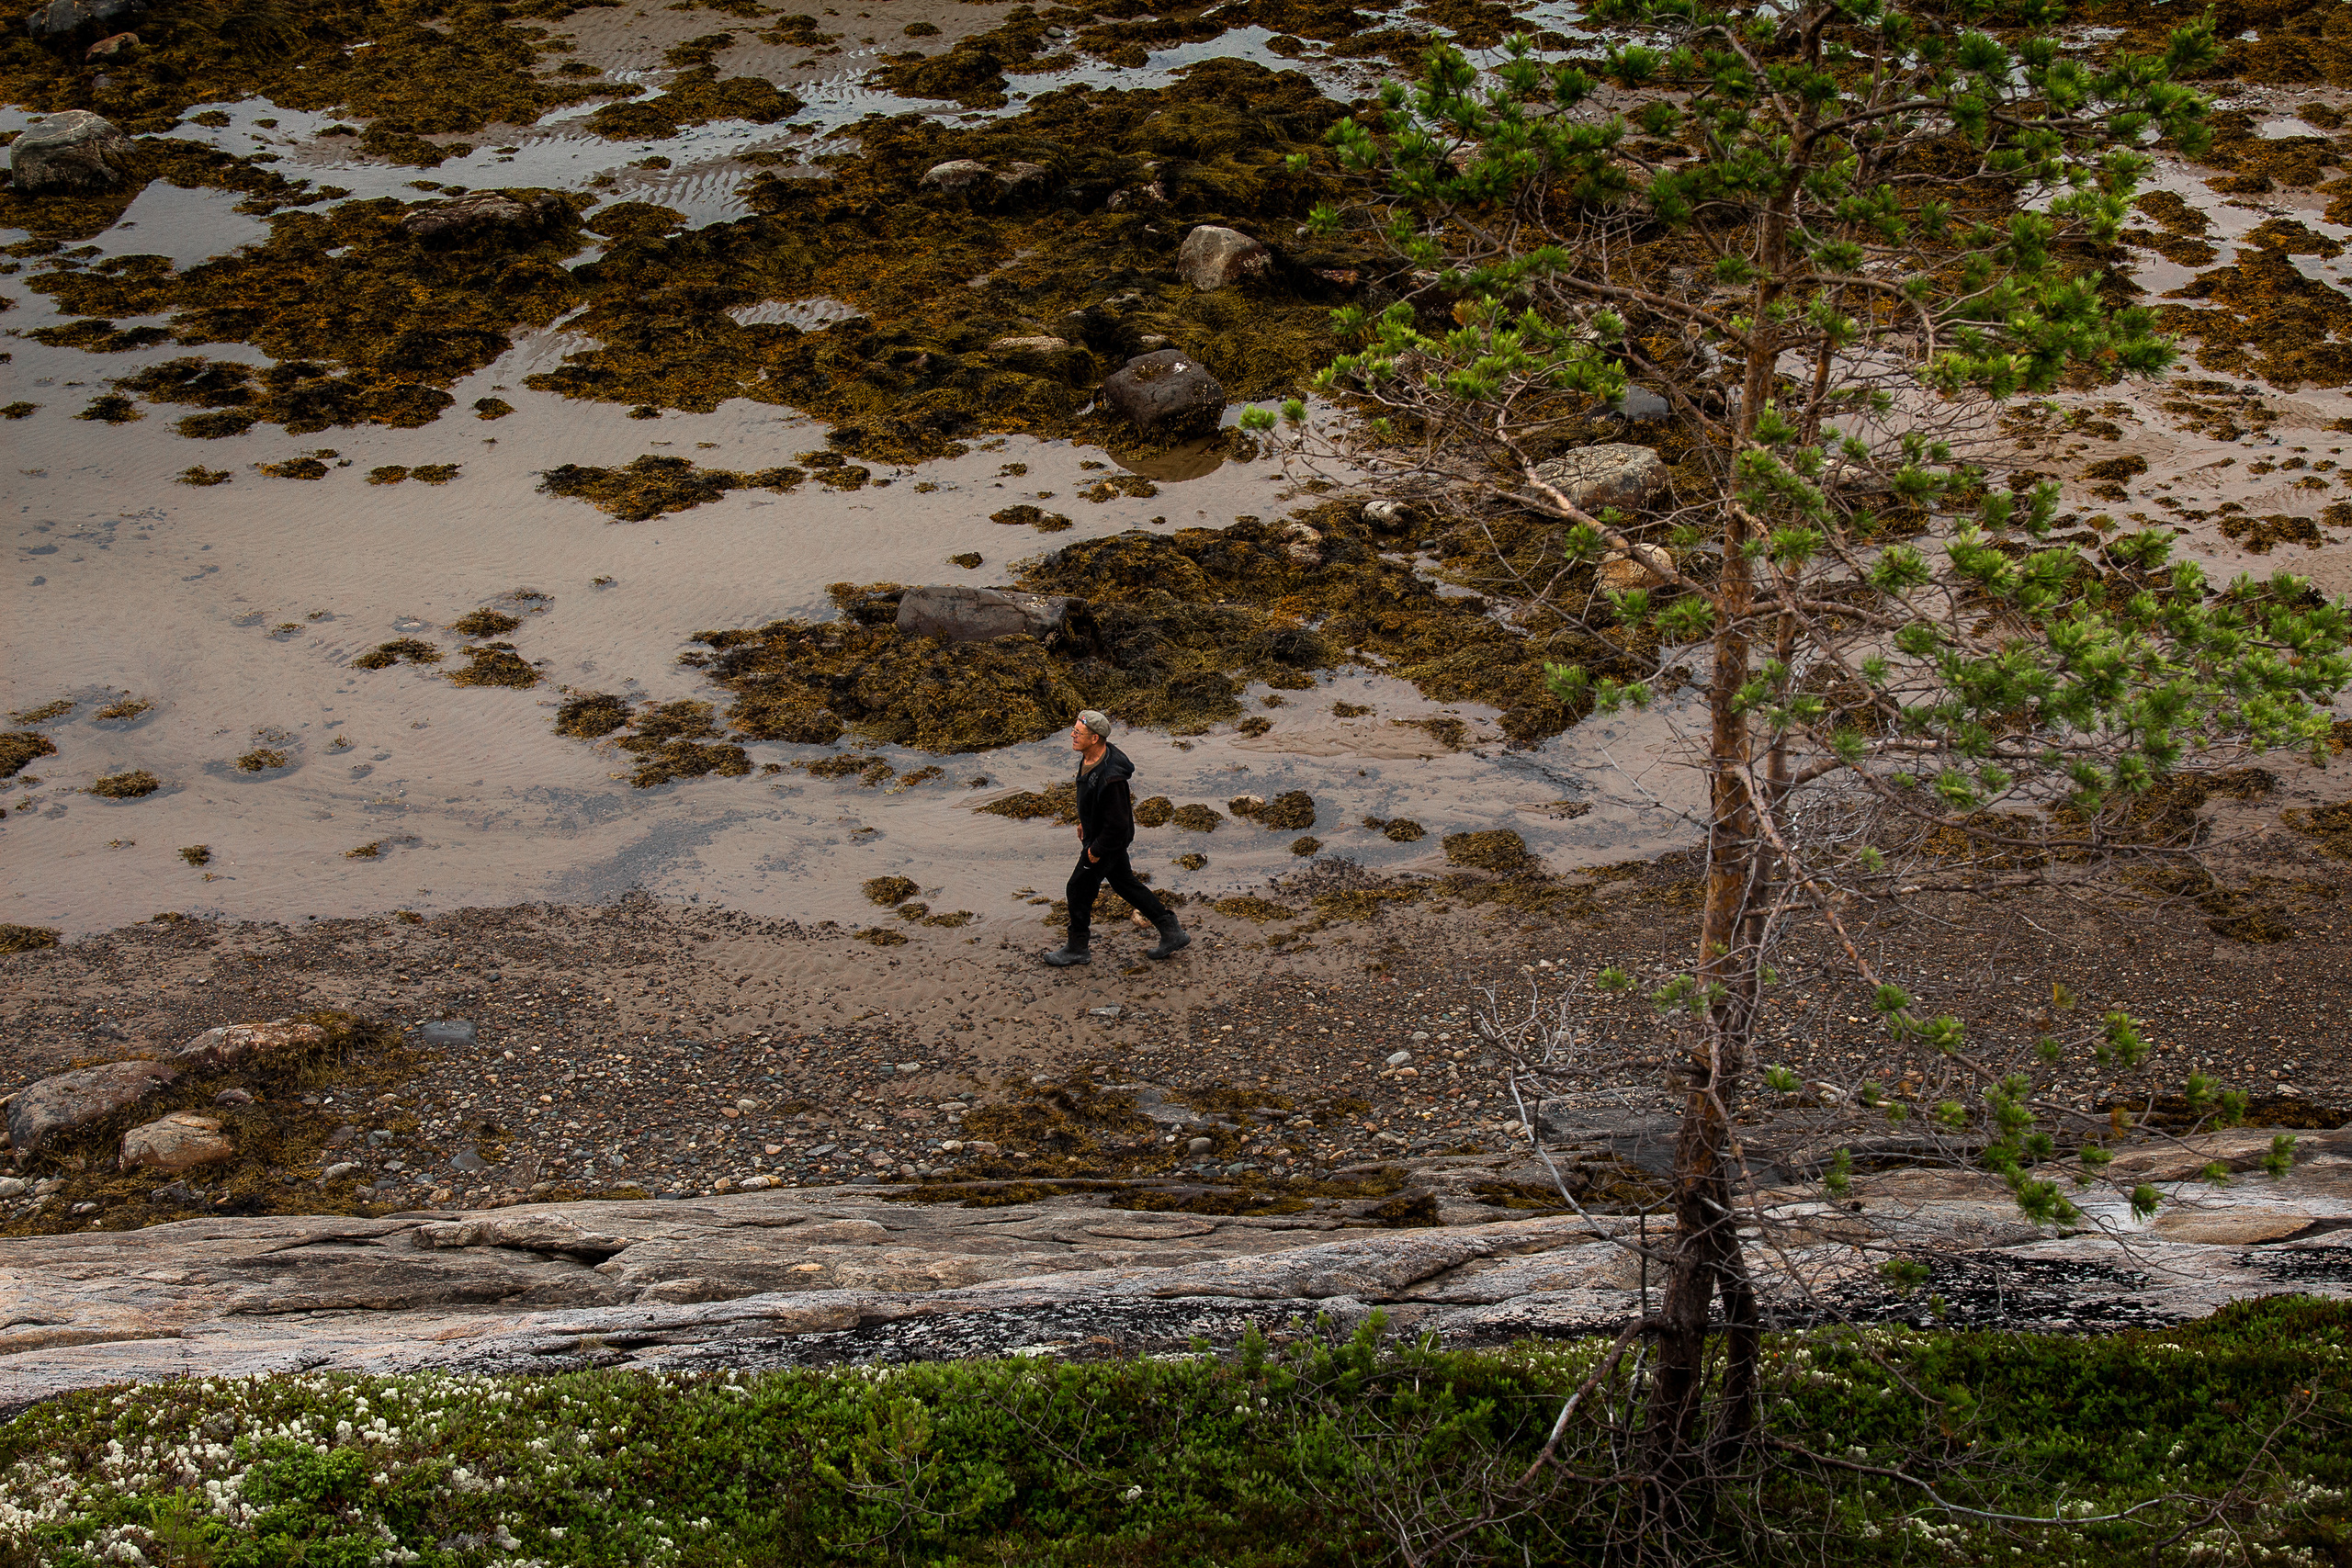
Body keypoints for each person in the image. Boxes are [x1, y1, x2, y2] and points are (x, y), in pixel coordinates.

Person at [1042, 709, 1190, 966]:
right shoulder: (1091, 755)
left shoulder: (1111, 779)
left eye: (1078, 733)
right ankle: (1171, 930)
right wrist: (1084, 822)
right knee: (1124, 883)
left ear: (1096, 738)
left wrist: (1096, 851)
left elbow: (1118, 824)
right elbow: (1092, 801)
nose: (1072, 735)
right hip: (1100, 835)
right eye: (1074, 730)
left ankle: (1077, 948)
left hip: (1108, 842)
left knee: (1077, 888)